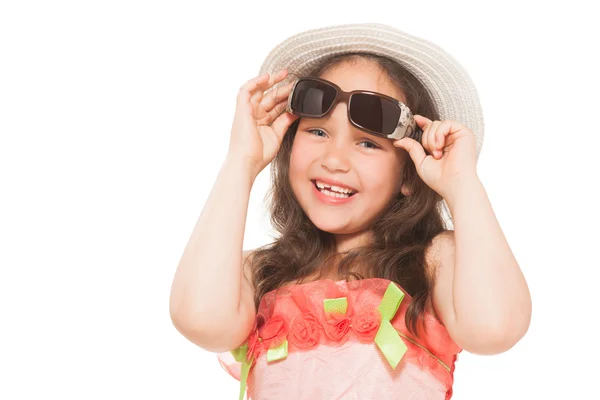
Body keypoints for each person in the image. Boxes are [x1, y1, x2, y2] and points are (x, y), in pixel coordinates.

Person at [170, 22, 532, 400]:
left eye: (368, 144)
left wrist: (462, 184)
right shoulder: (258, 274)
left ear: (409, 172)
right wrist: (241, 160)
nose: (334, 160)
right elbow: (200, 320)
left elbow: (496, 328)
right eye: (318, 132)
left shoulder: (435, 261)